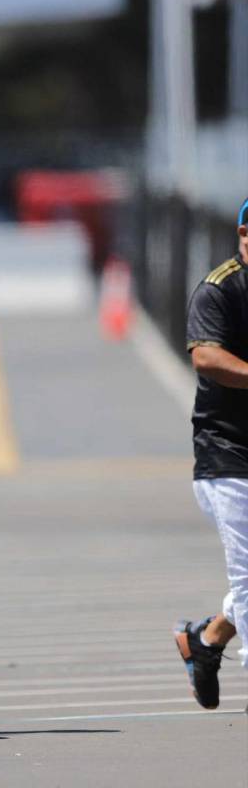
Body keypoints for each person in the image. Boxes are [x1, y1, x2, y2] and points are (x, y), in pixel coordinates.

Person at [173, 197, 248, 714]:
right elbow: (206, 356)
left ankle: (206, 639)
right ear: (243, 234)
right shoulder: (220, 288)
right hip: (229, 455)